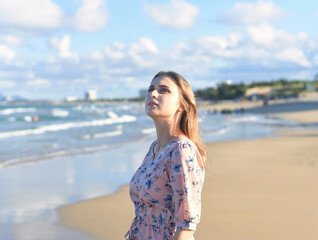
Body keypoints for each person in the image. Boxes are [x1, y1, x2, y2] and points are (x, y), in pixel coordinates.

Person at [125, 71, 206, 240]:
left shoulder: (182, 150)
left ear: (181, 105)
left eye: (163, 90)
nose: (153, 94)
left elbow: (186, 226)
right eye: (151, 89)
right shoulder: (155, 148)